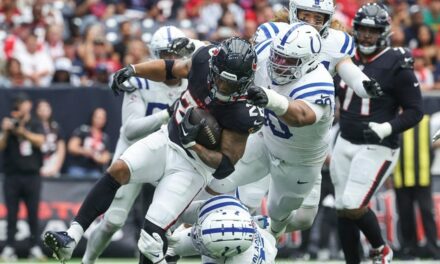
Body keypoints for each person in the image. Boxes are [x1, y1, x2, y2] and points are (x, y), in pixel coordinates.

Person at [43, 37, 264, 264]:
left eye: (230, 83)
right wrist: (133, 69)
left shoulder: (244, 111)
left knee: (151, 239)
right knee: (118, 169)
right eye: (219, 77)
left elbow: (225, 165)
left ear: (246, 81)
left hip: (193, 167)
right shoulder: (203, 60)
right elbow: (170, 69)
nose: (222, 86)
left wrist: (194, 144)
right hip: (166, 139)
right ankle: (71, 236)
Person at [224, 0, 383, 229]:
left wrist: (363, 85)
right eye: (306, 16)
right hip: (267, 123)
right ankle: (228, 234)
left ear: (328, 20)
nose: (311, 23)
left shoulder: (335, 44)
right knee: (247, 196)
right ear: (293, 13)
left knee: (303, 218)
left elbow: (350, 72)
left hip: (304, 136)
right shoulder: (272, 35)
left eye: (318, 18)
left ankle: (258, 230)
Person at [205, 23, 334, 241]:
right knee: (216, 183)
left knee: (280, 213)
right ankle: (187, 235)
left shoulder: (319, 82)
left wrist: (272, 100)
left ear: (309, 62)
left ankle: (261, 236)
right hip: (265, 139)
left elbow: (302, 116)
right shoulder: (265, 53)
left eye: (288, 60)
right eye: (278, 56)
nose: (278, 64)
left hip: (299, 160)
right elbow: (230, 54)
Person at [81, 26, 190, 264]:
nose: (172, 60)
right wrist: (166, 115)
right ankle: (87, 260)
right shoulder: (141, 81)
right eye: (165, 54)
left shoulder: (191, 82)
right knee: (114, 220)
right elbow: (130, 130)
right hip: (134, 153)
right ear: (155, 55)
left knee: (169, 223)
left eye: (177, 54)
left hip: (169, 155)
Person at [330, 3, 423, 264]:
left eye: (373, 30)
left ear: (384, 32)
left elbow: (415, 110)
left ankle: (381, 248)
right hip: (344, 140)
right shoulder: (344, 57)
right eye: (362, 29)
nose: (367, 36)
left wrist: (387, 127)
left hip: (377, 145)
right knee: (341, 208)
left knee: (352, 204)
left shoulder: (396, 61)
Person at [138, 195, 278, 264]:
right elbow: (181, 212)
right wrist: (167, 224)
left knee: (160, 253)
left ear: (220, 255)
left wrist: (158, 260)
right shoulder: (229, 206)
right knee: (169, 248)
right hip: (250, 239)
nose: (194, 235)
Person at [0, 93, 46, 261]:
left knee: (33, 213)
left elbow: (40, 141)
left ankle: (34, 247)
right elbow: (1, 145)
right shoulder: (8, 123)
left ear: (29, 105)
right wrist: (6, 131)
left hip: (32, 175)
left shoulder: (35, 123)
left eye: (24, 103)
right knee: (11, 214)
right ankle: (9, 247)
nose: (22, 107)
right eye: (19, 104)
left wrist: (22, 131)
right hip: (12, 175)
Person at [393, 114, 440, 260]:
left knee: (427, 213)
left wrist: (431, 143)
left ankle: (433, 249)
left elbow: (436, 138)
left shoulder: (427, 120)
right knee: (405, 214)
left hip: (423, 175)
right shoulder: (394, 120)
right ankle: (409, 249)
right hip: (400, 175)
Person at [66, 107, 112, 179]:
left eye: (102, 118)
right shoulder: (83, 130)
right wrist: (84, 151)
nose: (99, 120)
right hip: (78, 167)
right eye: (97, 117)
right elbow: (71, 147)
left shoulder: (105, 137)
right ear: (92, 117)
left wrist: (97, 157)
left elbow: (106, 157)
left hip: (94, 170)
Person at [36, 99, 66, 178]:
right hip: (37, 163)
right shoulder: (33, 126)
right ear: (36, 110)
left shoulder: (55, 127)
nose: (44, 111)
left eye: (46, 108)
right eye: (41, 108)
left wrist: (56, 168)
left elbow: (61, 149)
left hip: (52, 162)